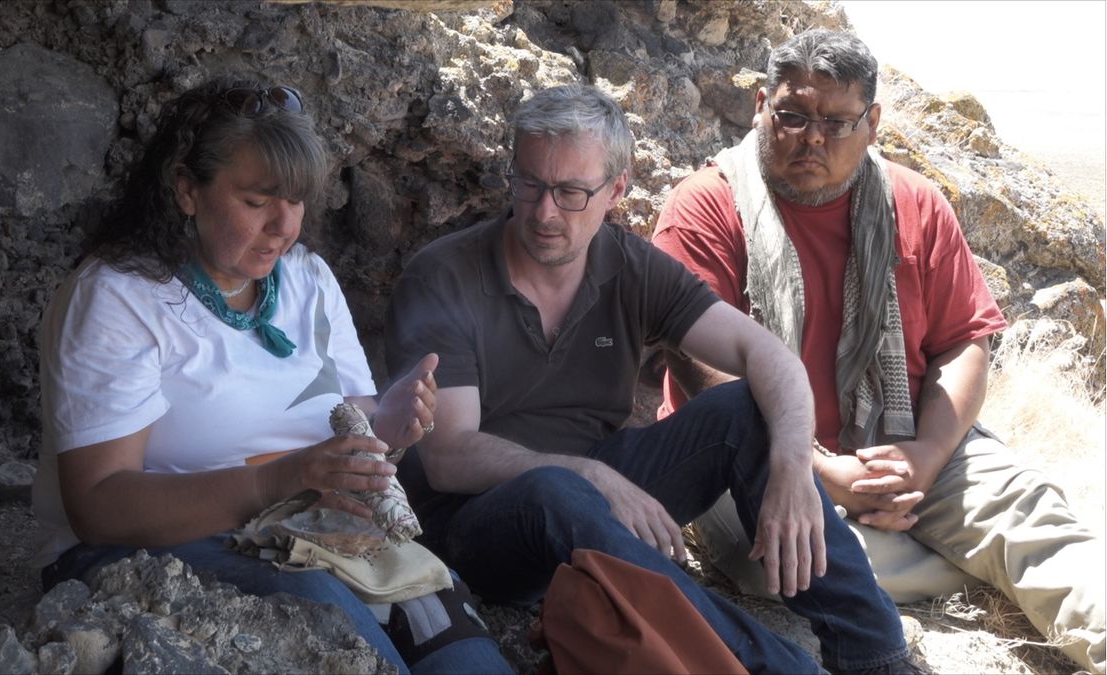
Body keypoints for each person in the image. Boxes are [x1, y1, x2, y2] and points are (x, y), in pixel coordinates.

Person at [386, 82, 923, 674]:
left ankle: (877, 653)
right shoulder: (446, 276)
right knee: (557, 490)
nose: (544, 212)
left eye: (571, 193)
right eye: (529, 185)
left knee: (745, 412)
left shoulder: (629, 265)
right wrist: (586, 475)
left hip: (599, 489)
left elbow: (767, 357)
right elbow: (449, 458)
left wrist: (794, 468)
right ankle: (780, 668)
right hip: (479, 527)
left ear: (616, 189)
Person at [652, 29, 1105, 674]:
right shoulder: (704, 207)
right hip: (756, 459)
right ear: (759, 107)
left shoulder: (914, 202)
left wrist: (926, 456)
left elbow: (962, 343)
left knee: (1030, 514)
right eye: (792, 115)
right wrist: (818, 472)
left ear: (873, 123)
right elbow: (704, 370)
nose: (812, 138)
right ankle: (971, 563)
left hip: (905, 437)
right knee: (779, 562)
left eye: (836, 122)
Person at [31, 75, 511, 674]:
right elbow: (99, 507)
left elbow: (353, 419)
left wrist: (389, 425)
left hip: (311, 526)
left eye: (296, 200)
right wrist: (274, 482)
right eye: (257, 202)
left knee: (445, 621)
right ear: (187, 190)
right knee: (328, 618)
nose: (284, 226)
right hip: (140, 549)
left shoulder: (306, 277)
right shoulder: (117, 298)